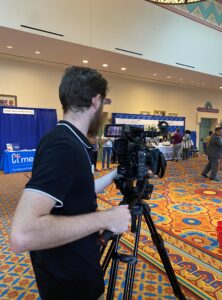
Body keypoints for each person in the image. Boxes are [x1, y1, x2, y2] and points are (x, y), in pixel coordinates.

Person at [9, 66, 131, 300]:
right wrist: (107, 218)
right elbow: (21, 235)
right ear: (96, 101)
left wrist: (116, 174)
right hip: (67, 277)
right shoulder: (63, 146)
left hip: (70, 265)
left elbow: (76, 193)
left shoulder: (70, 140)